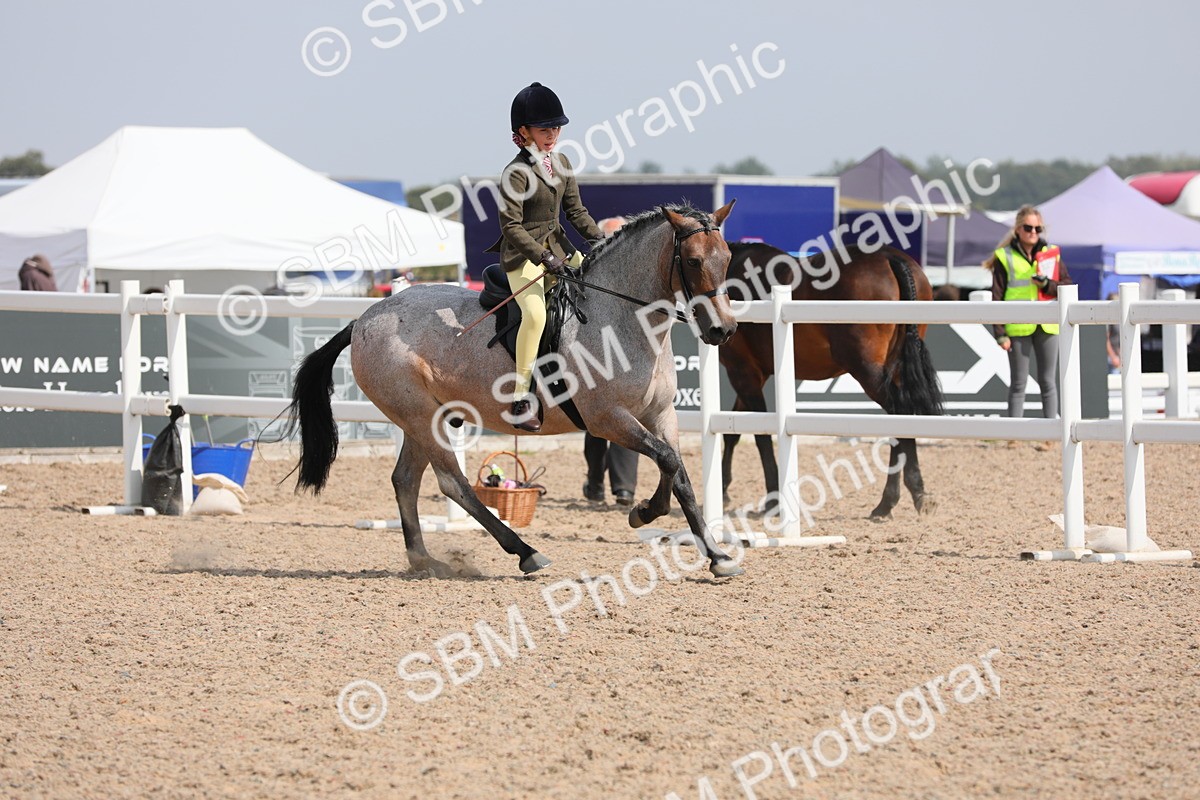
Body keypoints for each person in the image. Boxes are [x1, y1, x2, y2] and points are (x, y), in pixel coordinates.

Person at [486, 82, 604, 432]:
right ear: (523, 132)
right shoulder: (516, 172)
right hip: (523, 257)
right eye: (543, 129)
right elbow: (510, 225)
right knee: (535, 315)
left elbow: (576, 211)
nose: (552, 134)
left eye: (555, 128)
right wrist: (542, 257)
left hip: (560, 249)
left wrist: (601, 241)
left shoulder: (562, 162)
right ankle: (521, 396)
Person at [986, 205, 1072, 418]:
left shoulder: (1051, 254)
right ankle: (1015, 435)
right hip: (1017, 325)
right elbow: (996, 296)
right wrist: (1000, 333)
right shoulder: (1004, 257)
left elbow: (1067, 286)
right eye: (1028, 227)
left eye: (1038, 228)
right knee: (1018, 383)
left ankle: (1052, 435)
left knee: (1048, 381)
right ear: (1017, 229)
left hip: (1047, 323)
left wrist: (1046, 285)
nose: (1033, 232)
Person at [582, 217, 640, 505]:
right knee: (609, 417)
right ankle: (609, 484)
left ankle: (610, 485)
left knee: (613, 416)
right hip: (603, 352)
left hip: (613, 351)